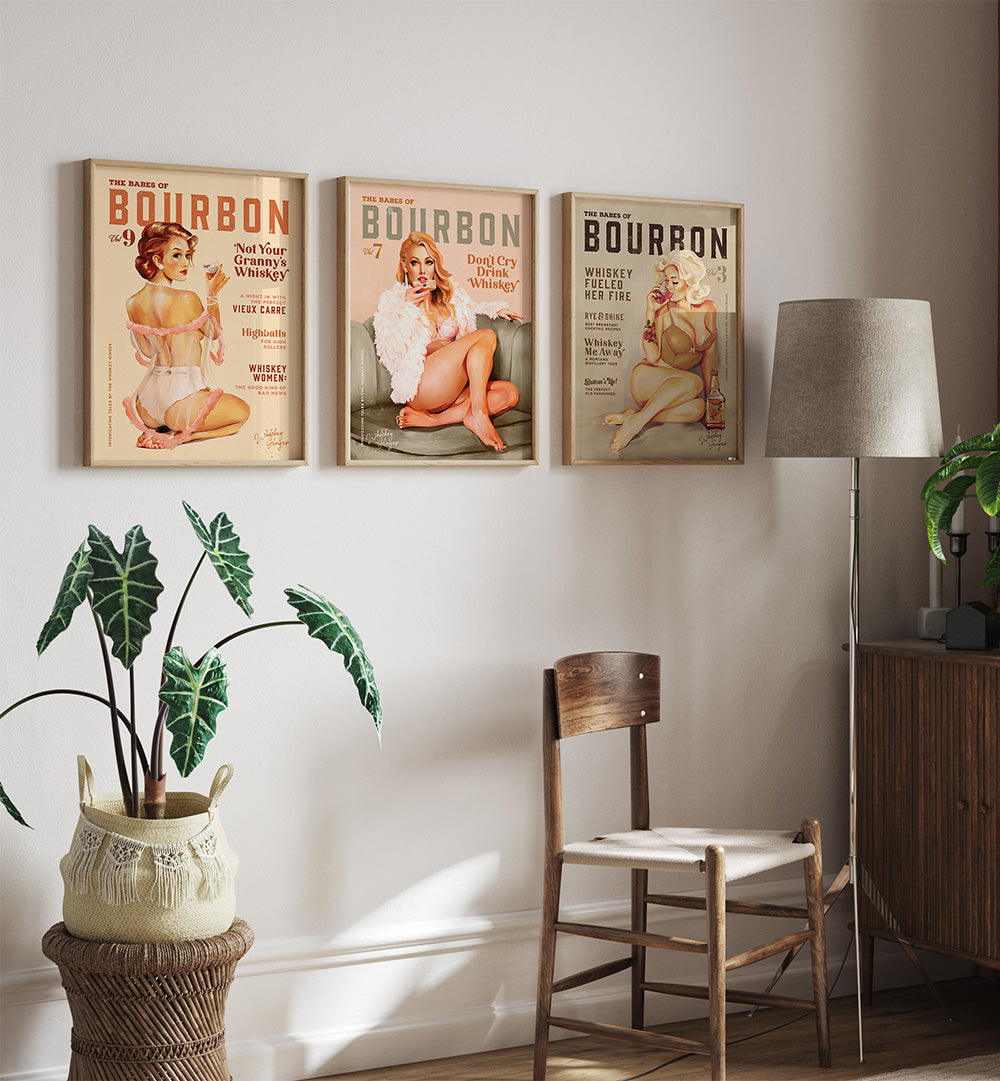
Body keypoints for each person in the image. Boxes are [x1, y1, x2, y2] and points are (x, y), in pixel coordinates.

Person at [372, 231, 520, 452]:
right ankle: (479, 415)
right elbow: (391, 353)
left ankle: (434, 420)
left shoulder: (451, 300)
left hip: (452, 389)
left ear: (435, 264)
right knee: (487, 336)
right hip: (423, 388)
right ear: (405, 266)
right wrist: (404, 307)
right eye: (415, 262)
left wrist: (495, 309)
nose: (422, 271)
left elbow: (471, 310)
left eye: (428, 262)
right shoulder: (394, 307)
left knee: (509, 393)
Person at [123, 222, 249, 450]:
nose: (185, 263)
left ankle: (163, 431)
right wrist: (212, 294)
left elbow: (148, 351)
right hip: (182, 399)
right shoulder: (186, 298)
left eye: (187, 255)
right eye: (177, 255)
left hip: (146, 403)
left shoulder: (132, 303)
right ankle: (183, 437)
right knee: (243, 412)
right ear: (157, 260)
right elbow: (212, 333)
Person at [603, 249, 717, 452]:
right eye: (666, 281)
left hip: (677, 388)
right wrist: (650, 311)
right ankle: (635, 426)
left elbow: (709, 358)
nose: (669, 287)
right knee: (694, 381)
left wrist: (711, 397)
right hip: (649, 379)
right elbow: (653, 356)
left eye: (675, 281)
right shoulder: (664, 313)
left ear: (689, 281)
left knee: (698, 409)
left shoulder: (709, 309)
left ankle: (635, 416)